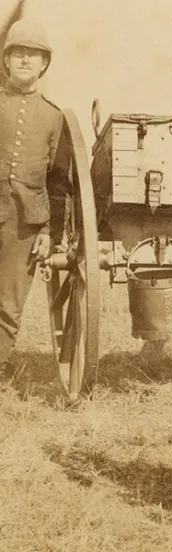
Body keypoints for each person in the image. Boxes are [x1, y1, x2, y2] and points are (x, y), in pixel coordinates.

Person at [0, 19, 67, 377]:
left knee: (8, 304)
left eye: (34, 55)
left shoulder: (53, 117)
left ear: (44, 64)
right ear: (6, 61)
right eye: (18, 53)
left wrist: (48, 232)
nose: (25, 60)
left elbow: (58, 183)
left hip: (24, 224)